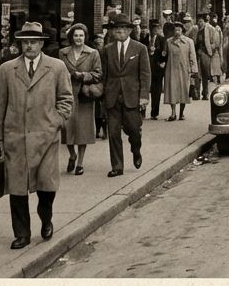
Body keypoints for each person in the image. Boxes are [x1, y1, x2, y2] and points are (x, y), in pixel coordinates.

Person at [0, 21, 73, 249]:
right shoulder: (7, 69)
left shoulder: (56, 67)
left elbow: (67, 99)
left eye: (33, 42)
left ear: (41, 44)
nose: (29, 46)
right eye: (25, 42)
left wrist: (56, 121)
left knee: (47, 186)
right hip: (15, 138)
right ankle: (22, 234)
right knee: (17, 189)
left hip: (46, 137)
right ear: (20, 44)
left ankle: (45, 217)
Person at [100, 13, 151, 177]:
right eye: (116, 29)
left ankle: (136, 149)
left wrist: (144, 96)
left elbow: (145, 74)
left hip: (132, 96)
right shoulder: (107, 50)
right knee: (113, 133)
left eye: (123, 29)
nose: (119, 32)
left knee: (134, 130)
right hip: (112, 96)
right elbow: (104, 74)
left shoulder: (140, 48)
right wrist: (103, 95)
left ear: (129, 30)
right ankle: (117, 166)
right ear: (113, 32)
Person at [59, 23, 102, 176]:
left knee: (83, 129)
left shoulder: (93, 53)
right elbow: (59, 73)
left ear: (85, 37)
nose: (79, 38)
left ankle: (80, 163)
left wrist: (83, 75)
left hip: (84, 95)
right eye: (76, 35)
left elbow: (98, 74)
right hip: (67, 95)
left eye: (81, 36)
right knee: (67, 128)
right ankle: (72, 154)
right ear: (71, 37)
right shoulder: (63, 53)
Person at [162, 21, 196, 122]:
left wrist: (193, 70)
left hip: (184, 69)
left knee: (183, 90)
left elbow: (192, 56)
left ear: (182, 31)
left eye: (179, 30)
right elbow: (164, 55)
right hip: (171, 69)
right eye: (175, 30)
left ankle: (181, 113)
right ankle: (173, 113)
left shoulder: (189, 42)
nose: (177, 32)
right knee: (172, 90)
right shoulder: (168, 41)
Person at [146, 19, 167, 120]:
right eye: (153, 28)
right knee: (144, 90)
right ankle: (142, 111)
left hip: (157, 69)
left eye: (156, 28)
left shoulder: (161, 39)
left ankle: (154, 112)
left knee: (156, 91)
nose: (154, 30)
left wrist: (162, 63)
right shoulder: (144, 38)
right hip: (146, 68)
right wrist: (148, 48)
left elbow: (164, 53)